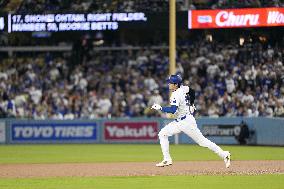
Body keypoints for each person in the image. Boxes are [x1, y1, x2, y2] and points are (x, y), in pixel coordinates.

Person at [151, 74, 231, 168]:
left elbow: (173, 110)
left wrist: (160, 108)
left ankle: (224, 154)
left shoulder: (175, 95)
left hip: (186, 122)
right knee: (162, 134)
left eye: (170, 83)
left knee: (202, 142)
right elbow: (192, 92)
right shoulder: (183, 88)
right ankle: (167, 159)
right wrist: (192, 104)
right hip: (179, 121)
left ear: (176, 84)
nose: (169, 84)